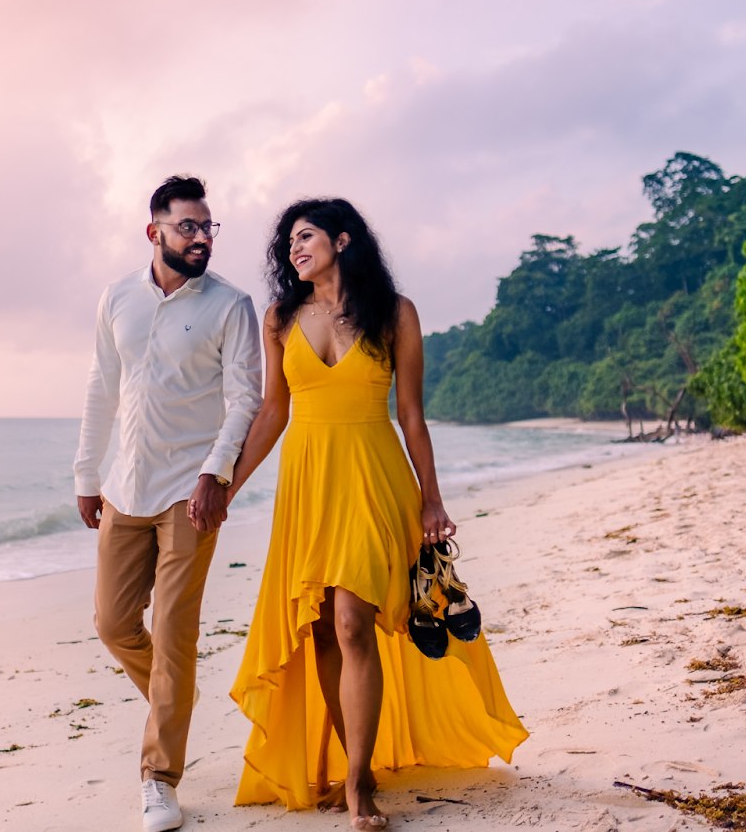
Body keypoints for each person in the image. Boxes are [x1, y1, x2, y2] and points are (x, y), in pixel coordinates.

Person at [224, 197, 528, 830]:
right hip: (308, 487)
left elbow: (411, 414)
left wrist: (432, 498)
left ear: (342, 239)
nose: (293, 250)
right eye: (287, 244)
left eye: (304, 237)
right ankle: (349, 762)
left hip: (372, 479)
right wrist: (226, 485)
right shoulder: (279, 316)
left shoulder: (394, 314)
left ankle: (359, 782)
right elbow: (274, 412)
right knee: (326, 630)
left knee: (354, 621)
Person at [74, 174, 261, 832]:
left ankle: (160, 778)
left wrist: (216, 473)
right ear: (154, 231)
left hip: (191, 492)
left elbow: (246, 398)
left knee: (176, 635)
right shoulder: (117, 297)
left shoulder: (231, 304)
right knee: (112, 621)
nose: (202, 236)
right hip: (124, 488)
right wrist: (85, 472)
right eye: (189, 226)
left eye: (209, 227)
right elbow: (103, 384)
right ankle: (173, 698)